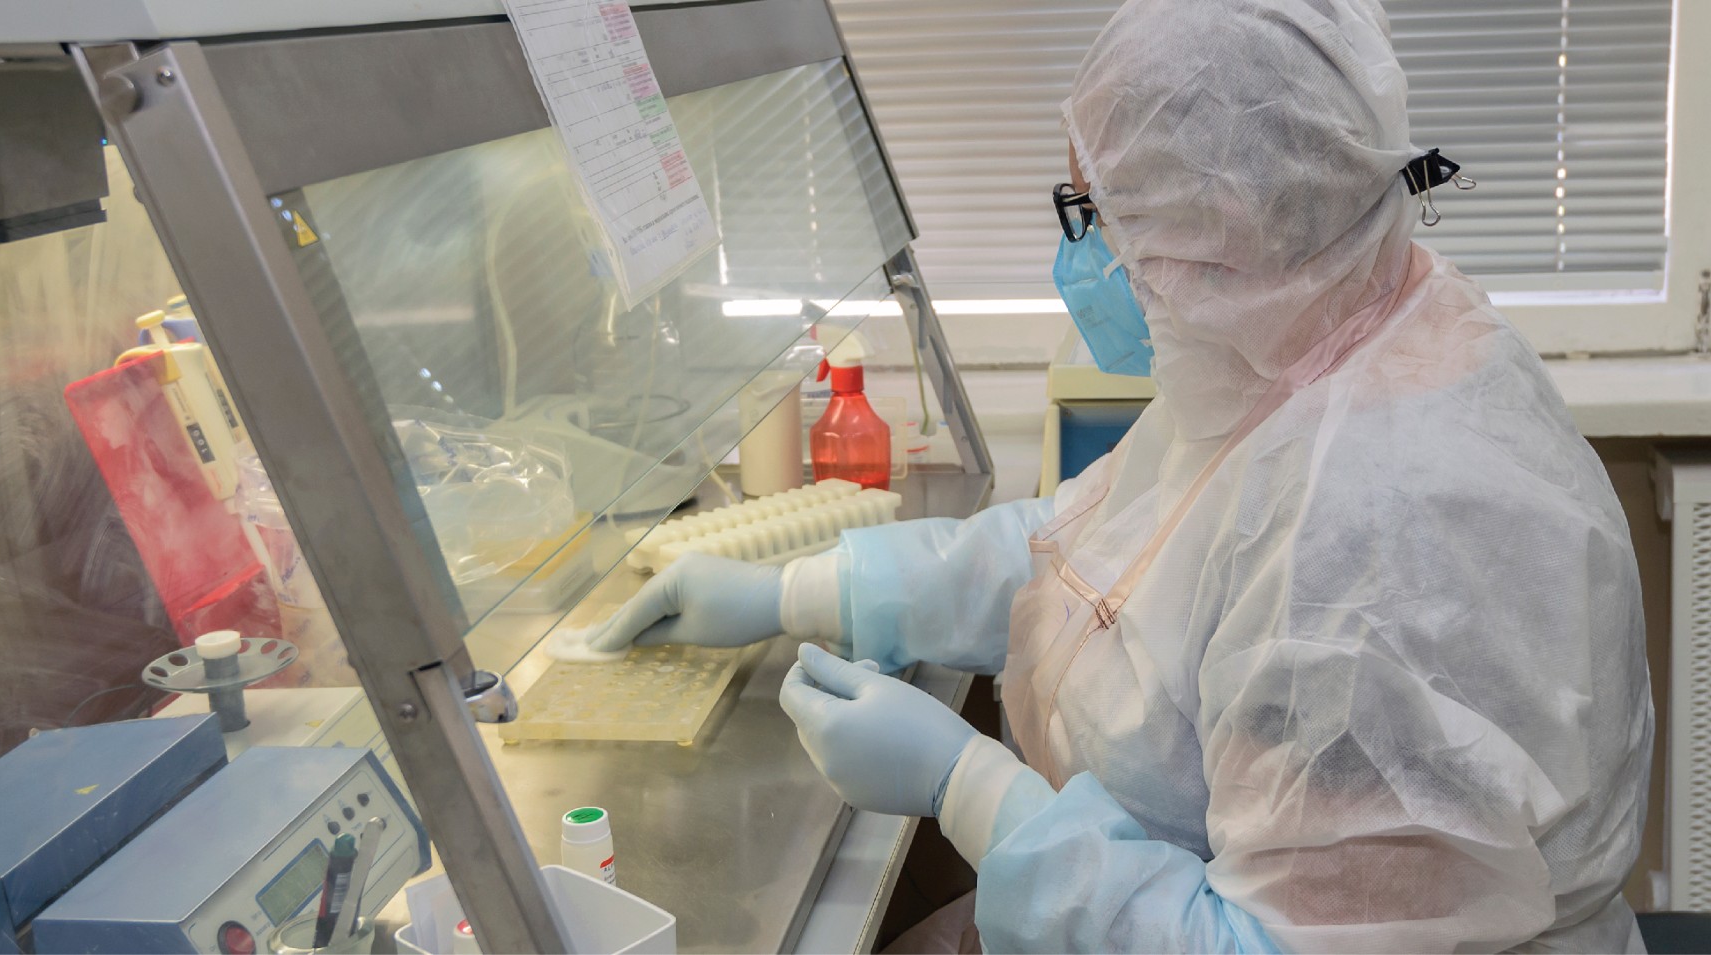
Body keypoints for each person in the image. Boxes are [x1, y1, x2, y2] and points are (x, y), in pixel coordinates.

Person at [589, 0, 1651, 949]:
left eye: (1095, 214)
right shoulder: (1321, 338)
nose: (1084, 255)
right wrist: (799, 589)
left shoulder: (1379, 541)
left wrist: (966, 787)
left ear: (1220, 230)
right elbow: (1098, 558)